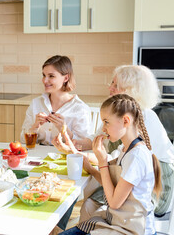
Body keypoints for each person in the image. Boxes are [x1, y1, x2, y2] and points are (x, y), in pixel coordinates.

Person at [54, 65, 174, 218]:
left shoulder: (143, 120)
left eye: (115, 85)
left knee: (92, 205)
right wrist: (70, 142)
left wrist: (75, 153)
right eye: (111, 83)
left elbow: (116, 162)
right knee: (90, 203)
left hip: (157, 189)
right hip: (125, 175)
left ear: (131, 91)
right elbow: (96, 140)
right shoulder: (117, 114)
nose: (110, 88)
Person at [59, 94, 161, 235]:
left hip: (133, 230)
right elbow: (113, 186)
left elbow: (114, 202)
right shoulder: (125, 149)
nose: (104, 129)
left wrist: (102, 162)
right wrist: (90, 168)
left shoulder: (136, 157)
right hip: (119, 222)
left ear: (125, 121)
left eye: (106, 122)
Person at [20, 55, 91, 146]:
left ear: (66, 78)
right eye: (44, 75)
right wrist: (35, 127)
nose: (45, 80)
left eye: (51, 76)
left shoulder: (80, 108)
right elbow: (23, 140)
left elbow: (85, 145)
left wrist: (65, 131)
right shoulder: (36, 103)